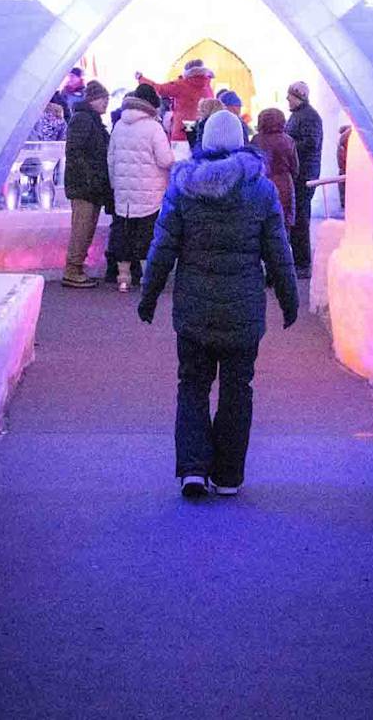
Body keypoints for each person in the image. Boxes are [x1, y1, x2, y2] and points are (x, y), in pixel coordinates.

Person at [138, 111, 300, 498]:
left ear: (205, 141)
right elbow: (278, 250)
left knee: (192, 384)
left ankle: (193, 469)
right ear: (243, 139)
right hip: (243, 308)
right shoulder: (259, 190)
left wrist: (148, 294)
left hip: (194, 307)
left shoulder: (182, 187)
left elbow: (163, 247)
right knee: (237, 388)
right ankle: (228, 475)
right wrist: (289, 298)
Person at [106, 83, 175, 289]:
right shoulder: (154, 127)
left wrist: (115, 183)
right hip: (149, 191)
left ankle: (123, 278)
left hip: (123, 190)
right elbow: (164, 160)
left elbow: (111, 157)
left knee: (123, 233)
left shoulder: (119, 124)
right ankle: (147, 278)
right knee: (147, 234)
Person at [60, 82, 113, 289]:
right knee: (82, 228)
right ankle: (72, 269)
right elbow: (75, 151)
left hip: (89, 184)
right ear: (92, 99)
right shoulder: (84, 119)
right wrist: (90, 176)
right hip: (84, 185)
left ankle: (77, 267)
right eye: (103, 99)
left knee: (86, 227)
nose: (106, 103)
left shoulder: (91, 120)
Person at [283, 82, 324, 278]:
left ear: (299, 96)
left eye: (290, 95)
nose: (287, 99)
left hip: (304, 175)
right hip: (299, 174)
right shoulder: (299, 115)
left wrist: (287, 144)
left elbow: (311, 143)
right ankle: (299, 260)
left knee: (300, 219)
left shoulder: (309, 116)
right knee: (297, 217)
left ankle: (303, 263)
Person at [138, 60, 214, 138]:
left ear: (187, 72)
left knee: (181, 148)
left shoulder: (181, 85)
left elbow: (159, 89)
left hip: (183, 128)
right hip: (203, 129)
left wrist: (141, 78)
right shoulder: (208, 86)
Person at [255, 107, 299, 231]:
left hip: (262, 184)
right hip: (284, 183)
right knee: (284, 224)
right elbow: (295, 168)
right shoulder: (288, 140)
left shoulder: (256, 140)